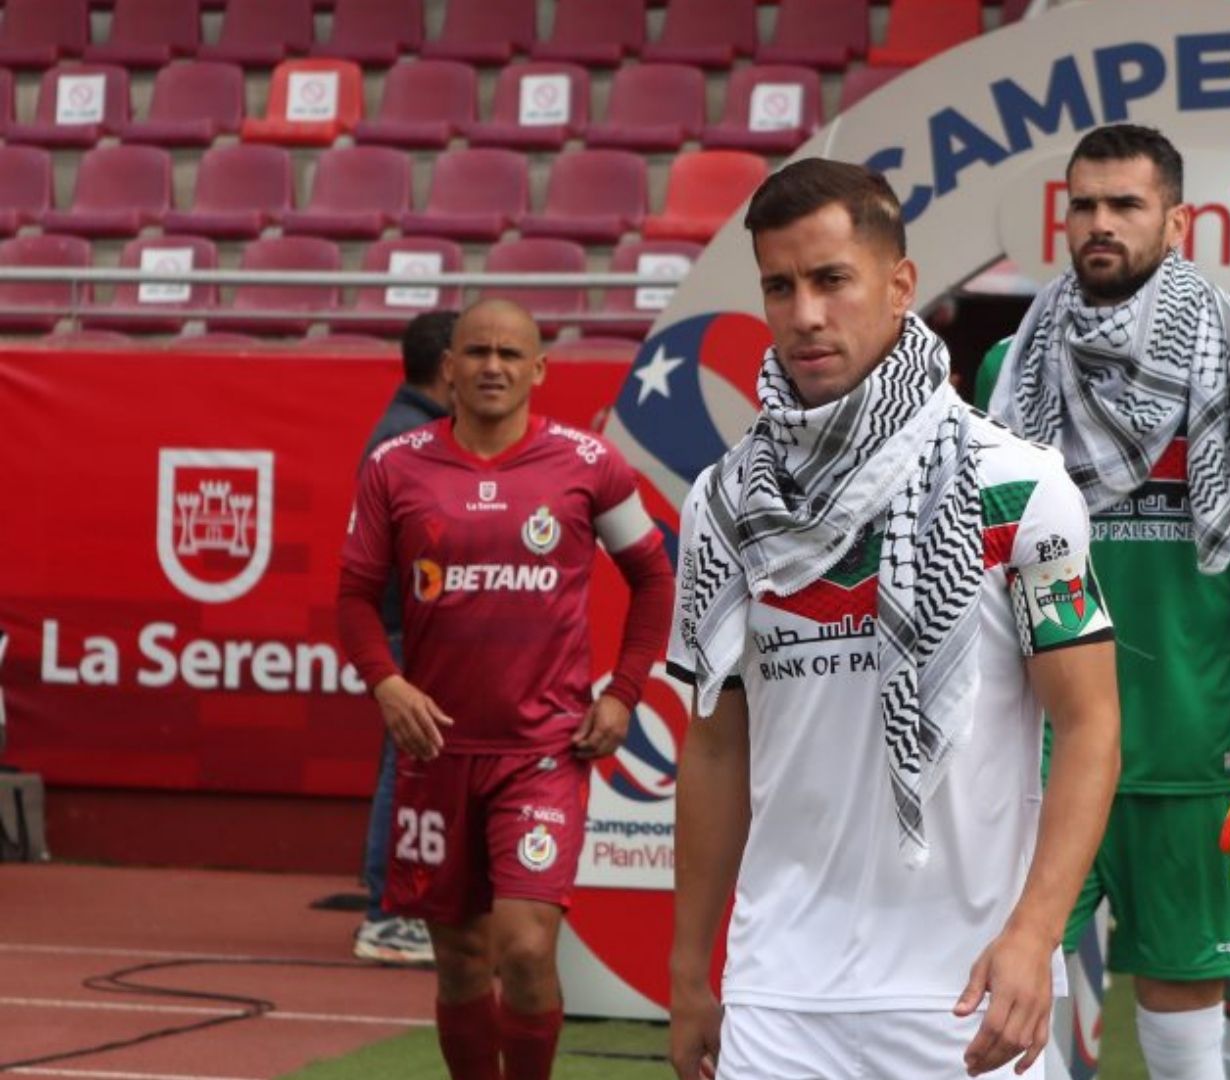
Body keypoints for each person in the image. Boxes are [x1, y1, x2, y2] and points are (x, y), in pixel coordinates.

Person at [666, 159, 1122, 1080]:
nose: (805, 315)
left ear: (898, 283)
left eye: (832, 280)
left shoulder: (1019, 485)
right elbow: (714, 748)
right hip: (778, 990)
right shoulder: (722, 502)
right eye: (780, 287)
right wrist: (688, 971)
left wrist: (1035, 936)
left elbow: (1090, 725)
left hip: (964, 990)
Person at [975, 124, 1230, 1080]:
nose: (1100, 223)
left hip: (1190, 746)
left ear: (1176, 220)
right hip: (1034, 755)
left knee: (1183, 1036)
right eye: (1083, 204)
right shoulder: (1005, 369)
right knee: (1001, 1015)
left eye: (1125, 205)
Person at [336, 299, 675, 1080]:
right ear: (449, 365)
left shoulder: (590, 464)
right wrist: (387, 684)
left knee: (523, 947)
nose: (494, 366)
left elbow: (654, 577)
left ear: (538, 370)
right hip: (435, 755)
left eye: (511, 355)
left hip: (542, 753)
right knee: (459, 959)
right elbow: (354, 596)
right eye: (479, 352)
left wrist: (622, 692)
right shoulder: (396, 466)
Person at [352, 309, 456, 967]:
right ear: (450, 364)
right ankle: (387, 913)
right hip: (410, 629)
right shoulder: (409, 442)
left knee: (414, 762)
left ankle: (396, 907)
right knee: (410, 761)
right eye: (476, 353)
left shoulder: (413, 433)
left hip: (414, 628)